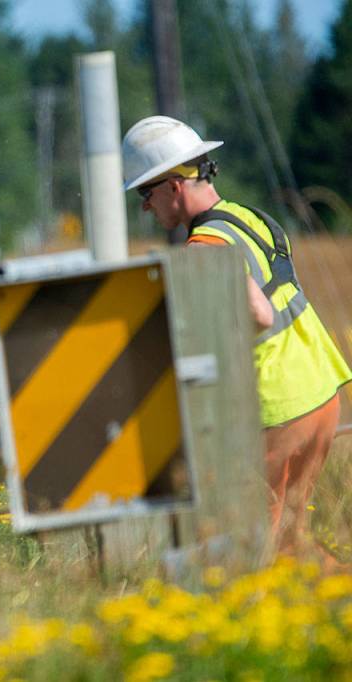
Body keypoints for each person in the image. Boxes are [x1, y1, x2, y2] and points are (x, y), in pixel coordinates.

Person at [121, 115, 352, 556]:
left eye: (144, 194)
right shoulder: (250, 217)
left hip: (279, 408)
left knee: (252, 548)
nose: (145, 208)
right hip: (319, 395)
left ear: (173, 186)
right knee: (288, 541)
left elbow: (258, 313)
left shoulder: (206, 246)